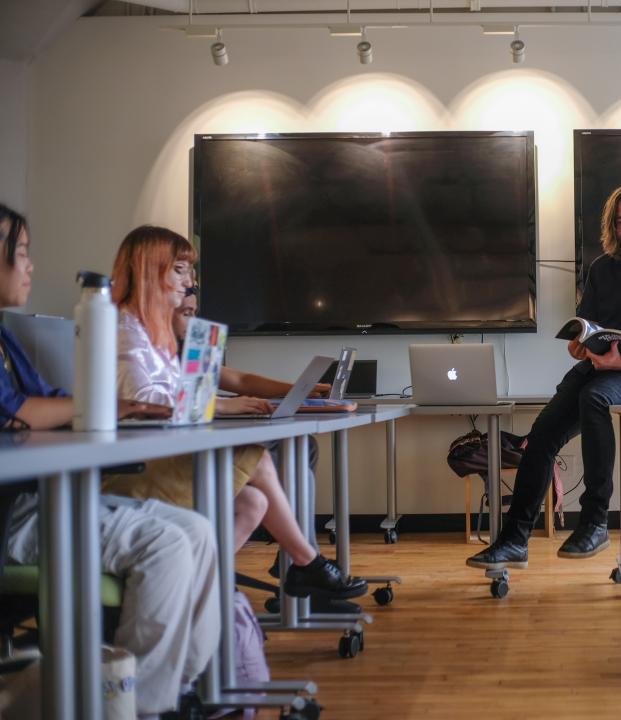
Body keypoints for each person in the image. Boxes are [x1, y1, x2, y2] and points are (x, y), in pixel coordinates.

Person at [0, 204, 219, 719]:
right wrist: (80, 408)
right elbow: (24, 408)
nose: (31, 266)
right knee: (166, 544)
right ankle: (136, 706)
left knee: (198, 531)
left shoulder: (5, 339)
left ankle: (176, 688)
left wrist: (66, 410)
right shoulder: (122, 328)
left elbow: (45, 400)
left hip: (37, 499)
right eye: (23, 254)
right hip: (12, 516)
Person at [103, 224, 366, 600]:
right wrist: (222, 404)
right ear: (149, 271)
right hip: (137, 466)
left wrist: (301, 394)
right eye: (179, 271)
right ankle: (307, 563)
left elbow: (205, 387)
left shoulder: (155, 335)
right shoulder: (122, 329)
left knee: (255, 500)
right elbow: (143, 400)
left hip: (163, 454)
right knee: (256, 456)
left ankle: (191, 592)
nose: (188, 284)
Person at [467, 183, 621, 570]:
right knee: (540, 435)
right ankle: (513, 540)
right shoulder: (602, 269)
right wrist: (579, 346)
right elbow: (586, 329)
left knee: (595, 397)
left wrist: (618, 364)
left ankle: (594, 523)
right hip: (600, 370)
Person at [172, 289, 325, 558]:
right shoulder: (150, 353)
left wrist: (296, 389)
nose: (192, 321)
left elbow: (242, 380)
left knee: (304, 445)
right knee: (288, 451)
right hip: (185, 450)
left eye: (194, 313)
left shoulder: (188, 350)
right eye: (186, 314)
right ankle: (304, 555)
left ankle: (296, 553)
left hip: (204, 435)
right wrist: (220, 405)